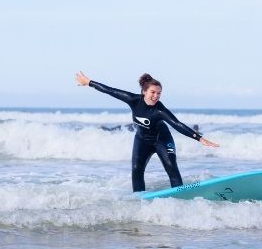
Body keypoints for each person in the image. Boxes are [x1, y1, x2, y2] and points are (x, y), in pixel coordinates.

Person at [75, 71, 220, 192]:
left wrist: (198, 138)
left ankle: (180, 195)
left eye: (159, 93)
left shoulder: (159, 109)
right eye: (153, 92)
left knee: (171, 167)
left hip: (162, 140)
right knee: (136, 170)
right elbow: (111, 91)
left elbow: (176, 123)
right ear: (144, 92)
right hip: (142, 140)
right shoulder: (133, 100)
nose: (156, 96)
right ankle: (139, 198)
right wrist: (89, 82)